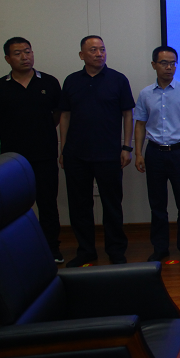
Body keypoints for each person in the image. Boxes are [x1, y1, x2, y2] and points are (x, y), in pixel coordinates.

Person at [0, 37, 63, 262]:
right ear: (7, 58)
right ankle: (18, 250)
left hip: (45, 153)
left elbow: (57, 115)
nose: (24, 57)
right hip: (12, 158)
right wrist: (14, 132)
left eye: (28, 52)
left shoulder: (49, 82)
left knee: (48, 203)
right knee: (15, 205)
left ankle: (51, 248)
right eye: (18, 53)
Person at [59, 36, 135, 267]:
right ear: (81, 55)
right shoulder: (71, 81)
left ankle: (116, 250)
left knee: (112, 205)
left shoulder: (118, 79)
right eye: (93, 50)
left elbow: (128, 114)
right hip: (76, 153)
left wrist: (126, 146)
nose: (99, 53)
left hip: (109, 153)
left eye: (102, 49)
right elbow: (65, 115)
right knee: (79, 205)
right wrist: (63, 149)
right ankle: (86, 250)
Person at [133, 46, 180, 263]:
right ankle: (160, 248)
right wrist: (138, 153)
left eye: (173, 63)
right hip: (155, 153)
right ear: (154, 65)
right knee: (157, 205)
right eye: (164, 63)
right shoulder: (145, 93)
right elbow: (140, 124)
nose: (169, 67)